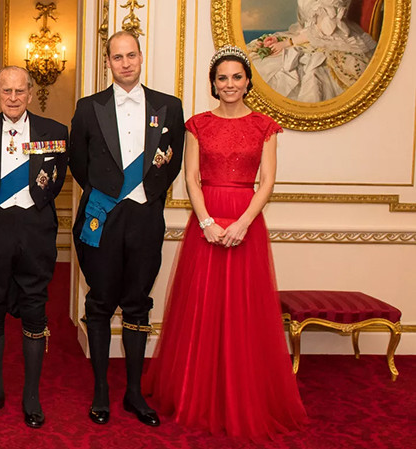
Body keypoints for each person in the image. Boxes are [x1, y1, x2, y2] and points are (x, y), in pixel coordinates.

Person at [142, 46, 308, 438]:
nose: (229, 84)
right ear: (213, 84)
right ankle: (197, 393)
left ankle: (242, 396)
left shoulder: (265, 127)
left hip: (246, 223)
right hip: (208, 222)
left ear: (248, 81)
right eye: (222, 78)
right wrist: (206, 222)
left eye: (236, 77)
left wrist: (243, 223)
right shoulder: (197, 125)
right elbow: (191, 178)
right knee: (202, 307)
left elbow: (267, 182)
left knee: (244, 311)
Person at [70, 31, 185, 427]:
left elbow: (172, 162)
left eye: (130, 55)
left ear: (140, 57)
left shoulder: (169, 106)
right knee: (100, 302)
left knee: (137, 303)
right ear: (108, 62)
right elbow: (79, 162)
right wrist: (108, 194)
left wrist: (146, 197)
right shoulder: (89, 107)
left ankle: (134, 392)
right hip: (103, 216)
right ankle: (101, 390)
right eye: (117, 57)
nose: (125, 63)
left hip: (145, 217)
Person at [0, 66, 68, 429]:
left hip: (36, 231)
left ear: (30, 93)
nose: (13, 97)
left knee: (35, 309)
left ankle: (31, 396)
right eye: (6, 91)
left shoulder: (55, 131)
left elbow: (55, 182)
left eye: (19, 91)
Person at [246, 0, 377, 102]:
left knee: (308, 74)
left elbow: (324, 29)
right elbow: (306, 25)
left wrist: (287, 43)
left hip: (332, 40)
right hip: (307, 38)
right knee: (255, 61)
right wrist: (282, 39)